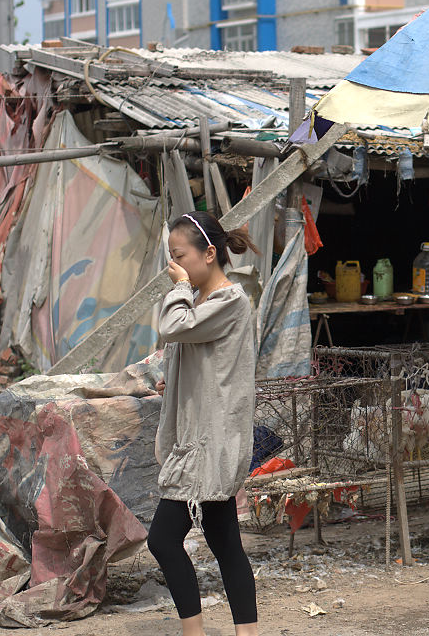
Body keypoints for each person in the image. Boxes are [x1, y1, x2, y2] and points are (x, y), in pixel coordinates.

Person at [148, 211, 260, 636]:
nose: (174, 266)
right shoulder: (205, 304)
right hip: (201, 440)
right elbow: (195, 361)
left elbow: (173, 327)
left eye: (178, 257)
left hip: (207, 446)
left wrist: (178, 287)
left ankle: (194, 634)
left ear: (209, 254)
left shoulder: (229, 302)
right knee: (225, 541)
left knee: (162, 539)